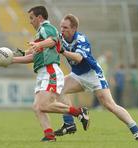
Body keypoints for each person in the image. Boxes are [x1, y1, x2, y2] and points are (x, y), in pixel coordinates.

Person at [49, 14, 138, 140]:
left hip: (93, 75)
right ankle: (69, 123)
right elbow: (48, 43)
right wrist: (30, 50)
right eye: (61, 27)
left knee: (110, 105)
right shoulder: (60, 38)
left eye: (65, 27)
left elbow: (78, 58)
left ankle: (136, 130)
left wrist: (63, 51)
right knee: (59, 88)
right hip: (77, 75)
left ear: (74, 29)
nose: (62, 30)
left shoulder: (82, 39)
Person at [11, 6, 89, 142]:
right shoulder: (39, 35)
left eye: (32, 18)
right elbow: (32, 57)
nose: (30, 21)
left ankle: (78, 112)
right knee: (37, 107)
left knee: (43, 105)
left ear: (40, 18)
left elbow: (54, 40)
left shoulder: (47, 28)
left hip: (50, 71)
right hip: (42, 73)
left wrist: (39, 45)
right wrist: (12, 60)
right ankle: (49, 136)